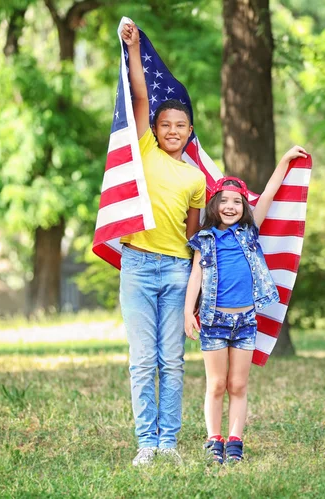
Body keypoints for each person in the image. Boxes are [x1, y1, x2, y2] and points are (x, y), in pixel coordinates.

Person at [184, 145, 308, 464]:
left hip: (245, 324)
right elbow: (196, 275)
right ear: (214, 204)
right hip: (213, 321)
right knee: (216, 384)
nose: (230, 206)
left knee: (238, 385)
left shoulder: (250, 232)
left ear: (244, 207)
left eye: (236, 201)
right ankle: (214, 441)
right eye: (223, 200)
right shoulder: (206, 238)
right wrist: (188, 311)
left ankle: (235, 442)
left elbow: (267, 194)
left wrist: (284, 161)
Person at [119, 22, 206, 466]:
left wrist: (196, 287)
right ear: (155, 129)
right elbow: (138, 96)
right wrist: (133, 49)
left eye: (181, 125)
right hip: (135, 266)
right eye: (165, 124)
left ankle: (168, 442)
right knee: (141, 361)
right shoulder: (145, 151)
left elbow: (193, 237)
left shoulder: (195, 179)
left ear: (190, 133)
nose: (172, 130)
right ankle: (146, 444)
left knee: (171, 361)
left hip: (175, 271)